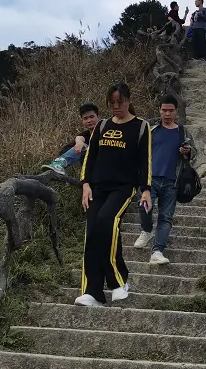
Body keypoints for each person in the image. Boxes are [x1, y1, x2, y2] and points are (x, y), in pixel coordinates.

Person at [75, 82, 152, 306]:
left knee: (107, 221)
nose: (116, 107)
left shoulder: (140, 126)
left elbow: (145, 160)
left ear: (128, 100)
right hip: (97, 187)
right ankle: (93, 291)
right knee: (93, 232)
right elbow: (91, 158)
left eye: (120, 102)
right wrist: (85, 183)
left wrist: (145, 189)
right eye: (112, 103)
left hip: (123, 187)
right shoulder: (102, 126)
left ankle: (118, 282)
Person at [134, 95, 197, 263]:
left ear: (176, 112)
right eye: (164, 110)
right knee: (143, 207)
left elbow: (196, 153)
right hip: (150, 180)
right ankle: (147, 230)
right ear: (160, 111)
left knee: (166, 217)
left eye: (171, 110)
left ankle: (157, 251)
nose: (167, 114)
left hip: (172, 181)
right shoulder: (151, 130)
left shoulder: (183, 132)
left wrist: (188, 151)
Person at [42, 103, 100, 173]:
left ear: (98, 117)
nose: (89, 120)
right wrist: (79, 143)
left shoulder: (107, 130)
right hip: (91, 170)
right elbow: (80, 138)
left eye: (91, 117)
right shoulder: (85, 135)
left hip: (107, 164)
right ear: (82, 121)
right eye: (85, 118)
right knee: (81, 147)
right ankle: (59, 164)